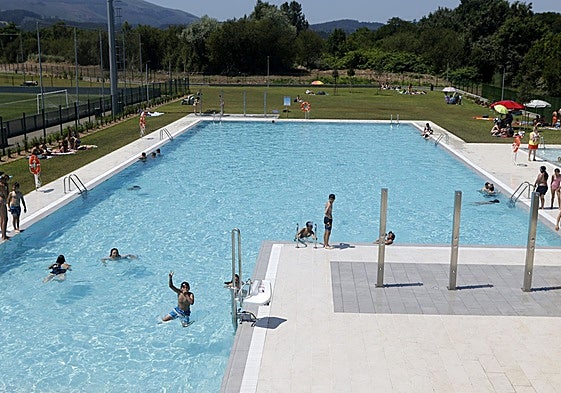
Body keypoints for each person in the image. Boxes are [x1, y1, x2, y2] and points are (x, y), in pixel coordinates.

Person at [0, 173, 9, 241]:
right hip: (2, 201)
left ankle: (3, 233)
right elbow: (6, 194)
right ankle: (4, 235)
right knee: (5, 218)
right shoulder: (3, 186)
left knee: (1, 218)